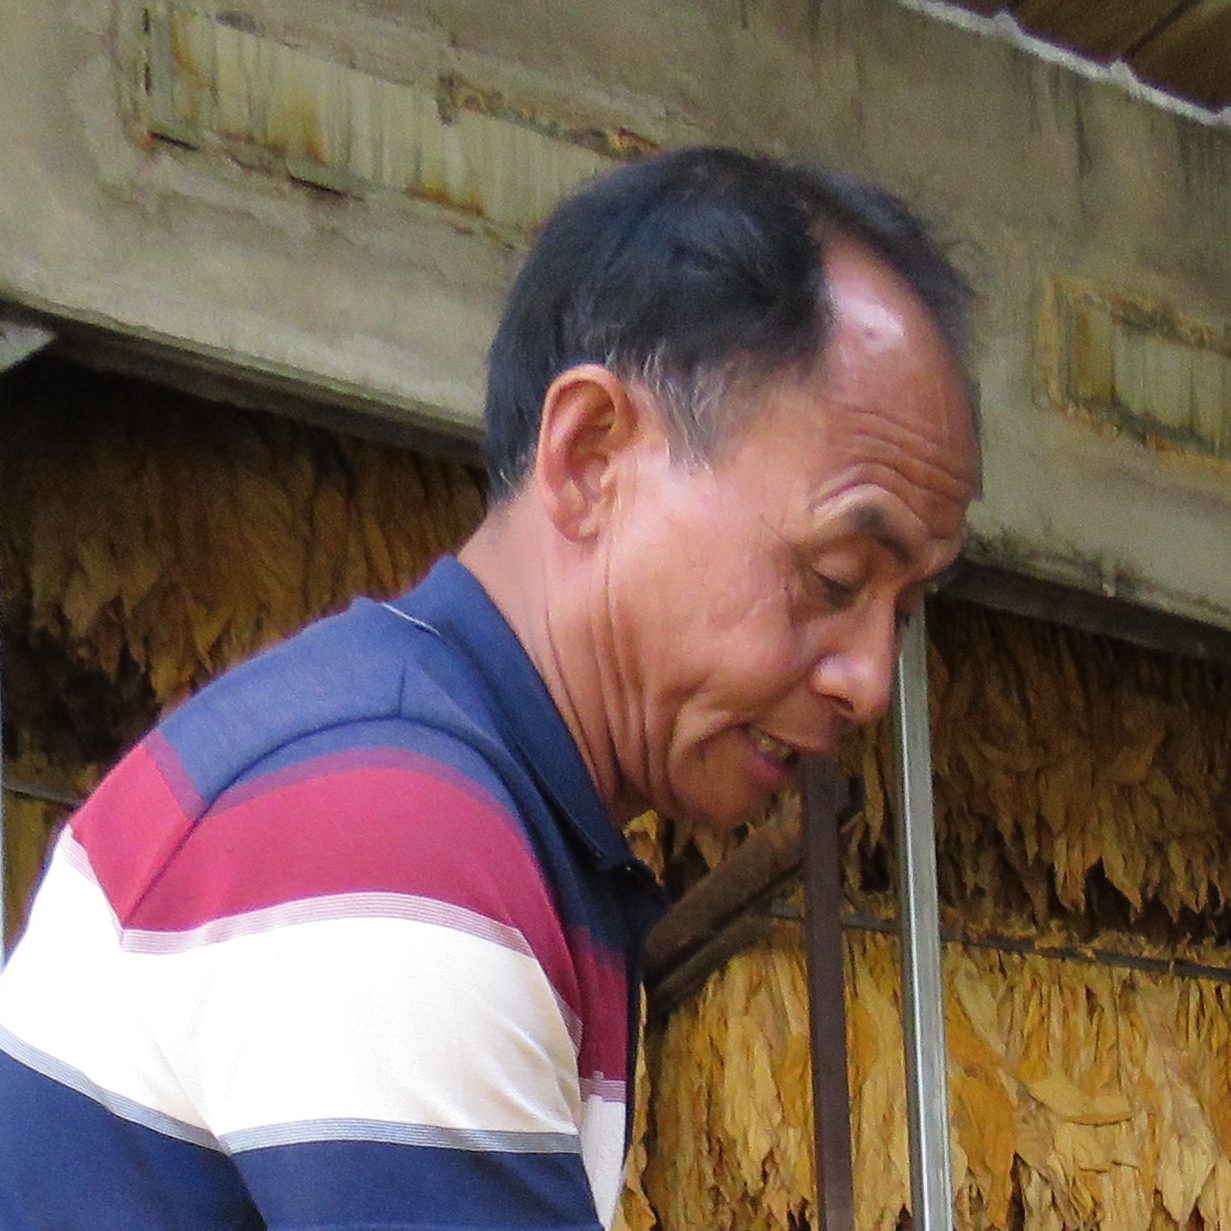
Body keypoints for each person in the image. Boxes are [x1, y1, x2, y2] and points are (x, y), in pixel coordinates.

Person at [0, 146, 976, 1229]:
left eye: (902, 611)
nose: (869, 680)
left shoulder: (445, 788)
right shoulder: (387, 836)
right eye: (834, 577)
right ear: (590, 457)